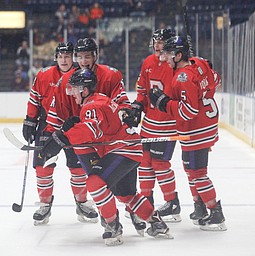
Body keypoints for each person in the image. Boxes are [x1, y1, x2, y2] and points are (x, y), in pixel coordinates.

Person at [40, 68, 173, 245]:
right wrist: (72, 127)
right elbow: (99, 127)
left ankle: (113, 226)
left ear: (85, 90)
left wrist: (64, 138)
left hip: (123, 150)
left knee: (95, 183)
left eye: (75, 88)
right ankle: (157, 224)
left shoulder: (92, 106)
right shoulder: (98, 99)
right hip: (129, 149)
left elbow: (91, 129)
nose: (72, 93)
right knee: (126, 194)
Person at [44, 37, 145, 233]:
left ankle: (133, 210)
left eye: (87, 56)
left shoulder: (110, 75)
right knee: (97, 180)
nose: (83, 61)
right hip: (84, 141)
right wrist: (53, 134)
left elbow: (121, 101)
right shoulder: (66, 80)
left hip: (112, 140)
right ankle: (109, 218)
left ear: (95, 56)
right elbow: (58, 110)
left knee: (123, 183)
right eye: (79, 57)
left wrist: (129, 112)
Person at [149, 36, 227, 231]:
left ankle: (215, 213)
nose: (164, 57)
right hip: (206, 126)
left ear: (179, 55)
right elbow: (215, 79)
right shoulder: (199, 63)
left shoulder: (182, 77)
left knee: (197, 173)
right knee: (191, 169)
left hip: (195, 131)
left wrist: (164, 103)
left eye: (168, 53)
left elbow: (188, 112)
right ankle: (199, 206)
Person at [22, 42, 99, 226]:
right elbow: (34, 98)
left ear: (72, 58)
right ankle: (44, 205)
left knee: (78, 167)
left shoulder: (80, 76)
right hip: (48, 124)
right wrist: (30, 120)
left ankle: (82, 203)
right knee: (43, 167)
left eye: (67, 56)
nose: (64, 60)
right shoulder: (44, 74)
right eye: (60, 56)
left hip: (74, 127)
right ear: (55, 57)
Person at [129, 28, 181, 222]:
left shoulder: (175, 65)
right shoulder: (148, 62)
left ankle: (172, 202)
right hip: (149, 123)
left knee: (160, 164)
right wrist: (137, 105)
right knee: (144, 163)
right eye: (156, 42)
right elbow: (142, 89)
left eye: (162, 42)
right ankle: (146, 201)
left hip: (168, 123)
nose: (158, 46)